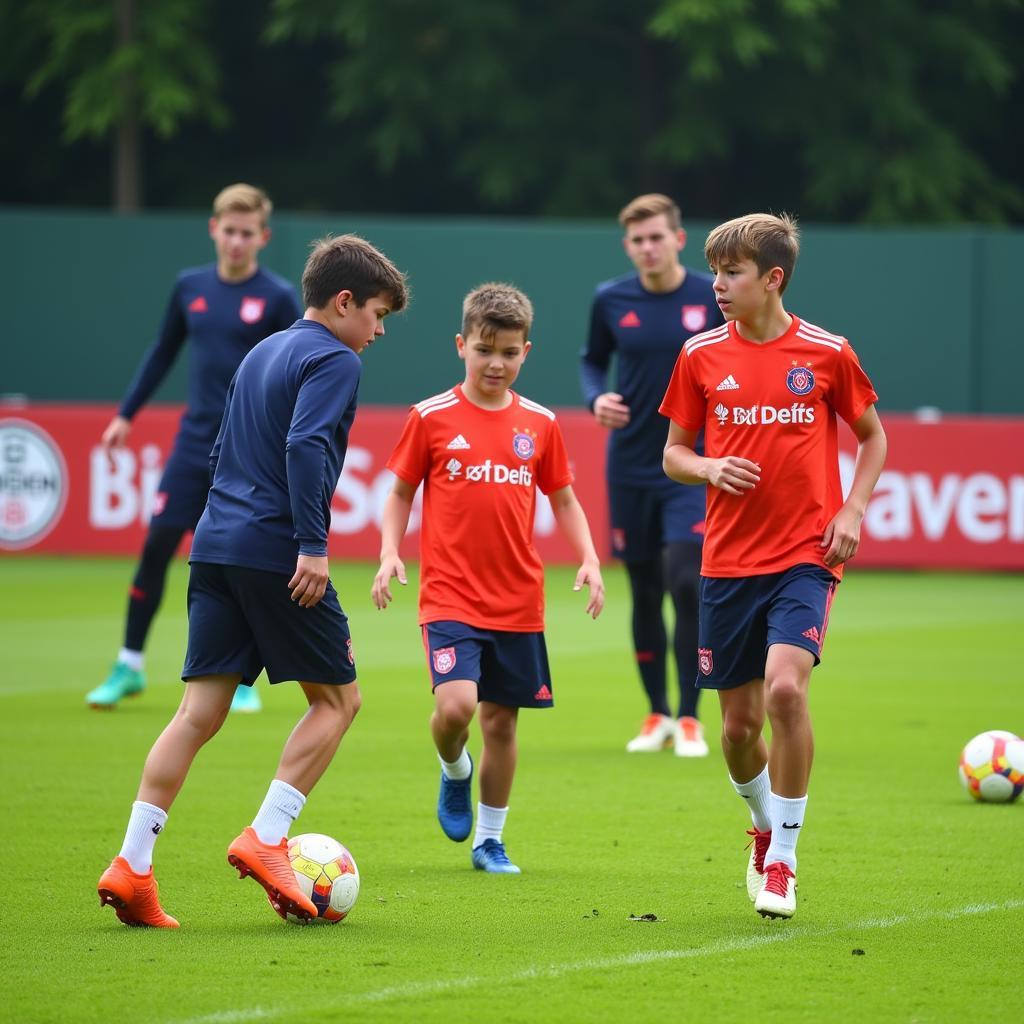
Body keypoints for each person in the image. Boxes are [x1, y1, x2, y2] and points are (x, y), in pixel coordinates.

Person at [96, 234, 408, 927]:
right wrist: (312, 545)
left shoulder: (260, 351)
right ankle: (269, 837)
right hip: (277, 552)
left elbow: (217, 450)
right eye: (377, 314)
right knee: (338, 701)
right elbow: (304, 444)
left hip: (214, 547)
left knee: (196, 714)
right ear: (345, 302)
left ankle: (133, 863)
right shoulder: (335, 358)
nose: (378, 332)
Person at [659, 212, 887, 919]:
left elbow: (873, 437)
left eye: (732, 272)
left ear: (773, 279)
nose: (718, 284)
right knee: (736, 729)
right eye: (716, 271)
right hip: (726, 563)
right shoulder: (699, 354)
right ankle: (761, 827)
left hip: (805, 556)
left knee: (788, 693)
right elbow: (672, 453)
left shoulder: (827, 352)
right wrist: (707, 466)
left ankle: (783, 862)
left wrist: (850, 512)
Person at [372, 283, 605, 874]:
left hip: (518, 600)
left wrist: (589, 558)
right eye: (483, 350)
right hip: (449, 594)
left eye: (508, 351)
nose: (495, 363)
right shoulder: (429, 418)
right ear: (461, 346)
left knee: (501, 721)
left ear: (527, 350)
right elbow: (399, 491)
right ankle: (454, 768)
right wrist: (388, 552)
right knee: (456, 710)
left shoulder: (542, 424)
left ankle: (490, 840)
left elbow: (565, 500)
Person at [86, 183, 302, 715]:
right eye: (228, 231)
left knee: (244, 559)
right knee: (158, 545)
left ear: (263, 238)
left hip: (249, 451)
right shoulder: (190, 287)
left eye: (246, 234)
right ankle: (129, 664)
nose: (235, 241)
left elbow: (294, 368)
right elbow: (161, 353)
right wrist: (124, 415)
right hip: (192, 445)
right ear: (213, 229)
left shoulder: (276, 298)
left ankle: (243, 677)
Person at [581, 193, 724, 757]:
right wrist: (597, 399)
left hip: (689, 462)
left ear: (679, 239)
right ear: (628, 247)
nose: (648, 248)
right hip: (630, 466)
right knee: (642, 591)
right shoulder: (610, 298)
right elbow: (592, 359)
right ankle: (656, 713)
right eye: (638, 240)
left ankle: (691, 717)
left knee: (687, 582)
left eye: (657, 237)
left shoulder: (708, 297)